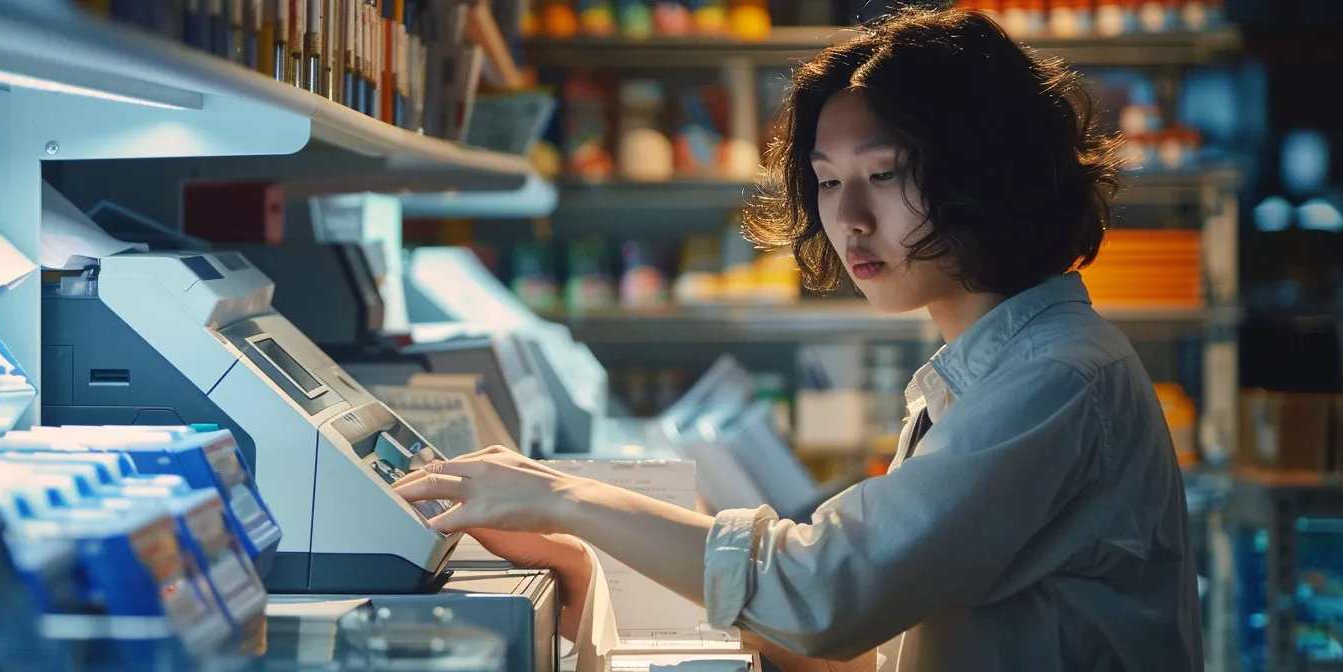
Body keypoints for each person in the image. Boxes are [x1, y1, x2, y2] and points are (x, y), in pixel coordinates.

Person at [395, 7, 1202, 671]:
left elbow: (829, 596)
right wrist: (584, 561)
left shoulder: (1057, 381)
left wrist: (565, 496)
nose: (848, 217)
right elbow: (877, 643)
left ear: (988, 173)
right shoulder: (988, 370)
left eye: (883, 174)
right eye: (825, 181)